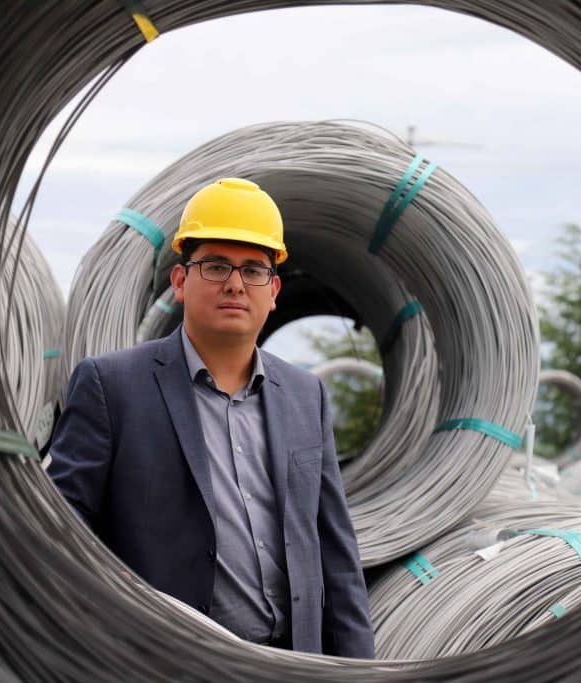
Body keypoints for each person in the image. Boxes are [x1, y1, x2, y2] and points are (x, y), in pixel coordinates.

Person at [48, 178, 374, 658]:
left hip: (292, 663)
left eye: (253, 270)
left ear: (274, 290)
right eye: (216, 265)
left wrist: (359, 669)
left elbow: (335, 554)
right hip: (164, 661)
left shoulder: (306, 396)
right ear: (181, 282)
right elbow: (61, 529)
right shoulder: (112, 386)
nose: (235, 284)